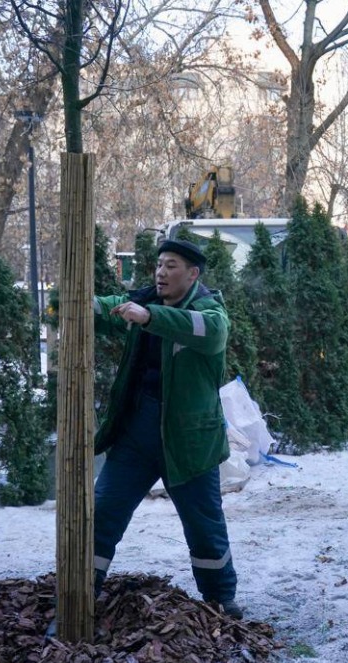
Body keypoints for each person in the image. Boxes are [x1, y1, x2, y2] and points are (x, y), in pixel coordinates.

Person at [91, 238, 241, 618]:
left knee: (204, 527)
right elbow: (104, 309)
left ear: (192, 274)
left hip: (189, 442)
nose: (161, 272)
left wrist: (151, 318)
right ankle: (79, 594)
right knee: (102, 514)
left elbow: (211, 332)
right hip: (136, 437)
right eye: (159, 264)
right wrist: (71, 303)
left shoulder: (210, 310)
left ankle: (221, 603)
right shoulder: (143, 302)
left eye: (171, 265)